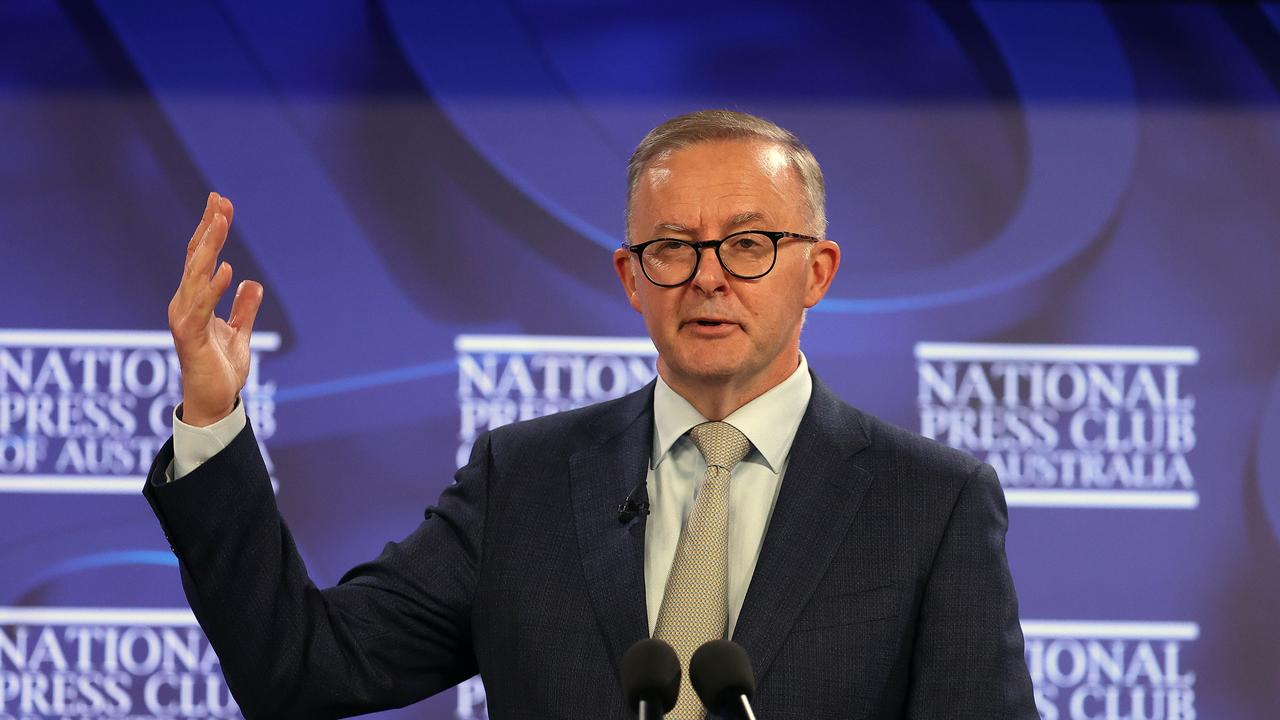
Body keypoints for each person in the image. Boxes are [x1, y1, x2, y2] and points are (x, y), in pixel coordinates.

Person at [146, 110, 1037, 719]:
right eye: (672, 248)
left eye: (750, 243)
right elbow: (300, 667)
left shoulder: (930, 503)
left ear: (818, 270)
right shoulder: (522, 483)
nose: (709, 275)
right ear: (631, 279)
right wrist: (213, 418)